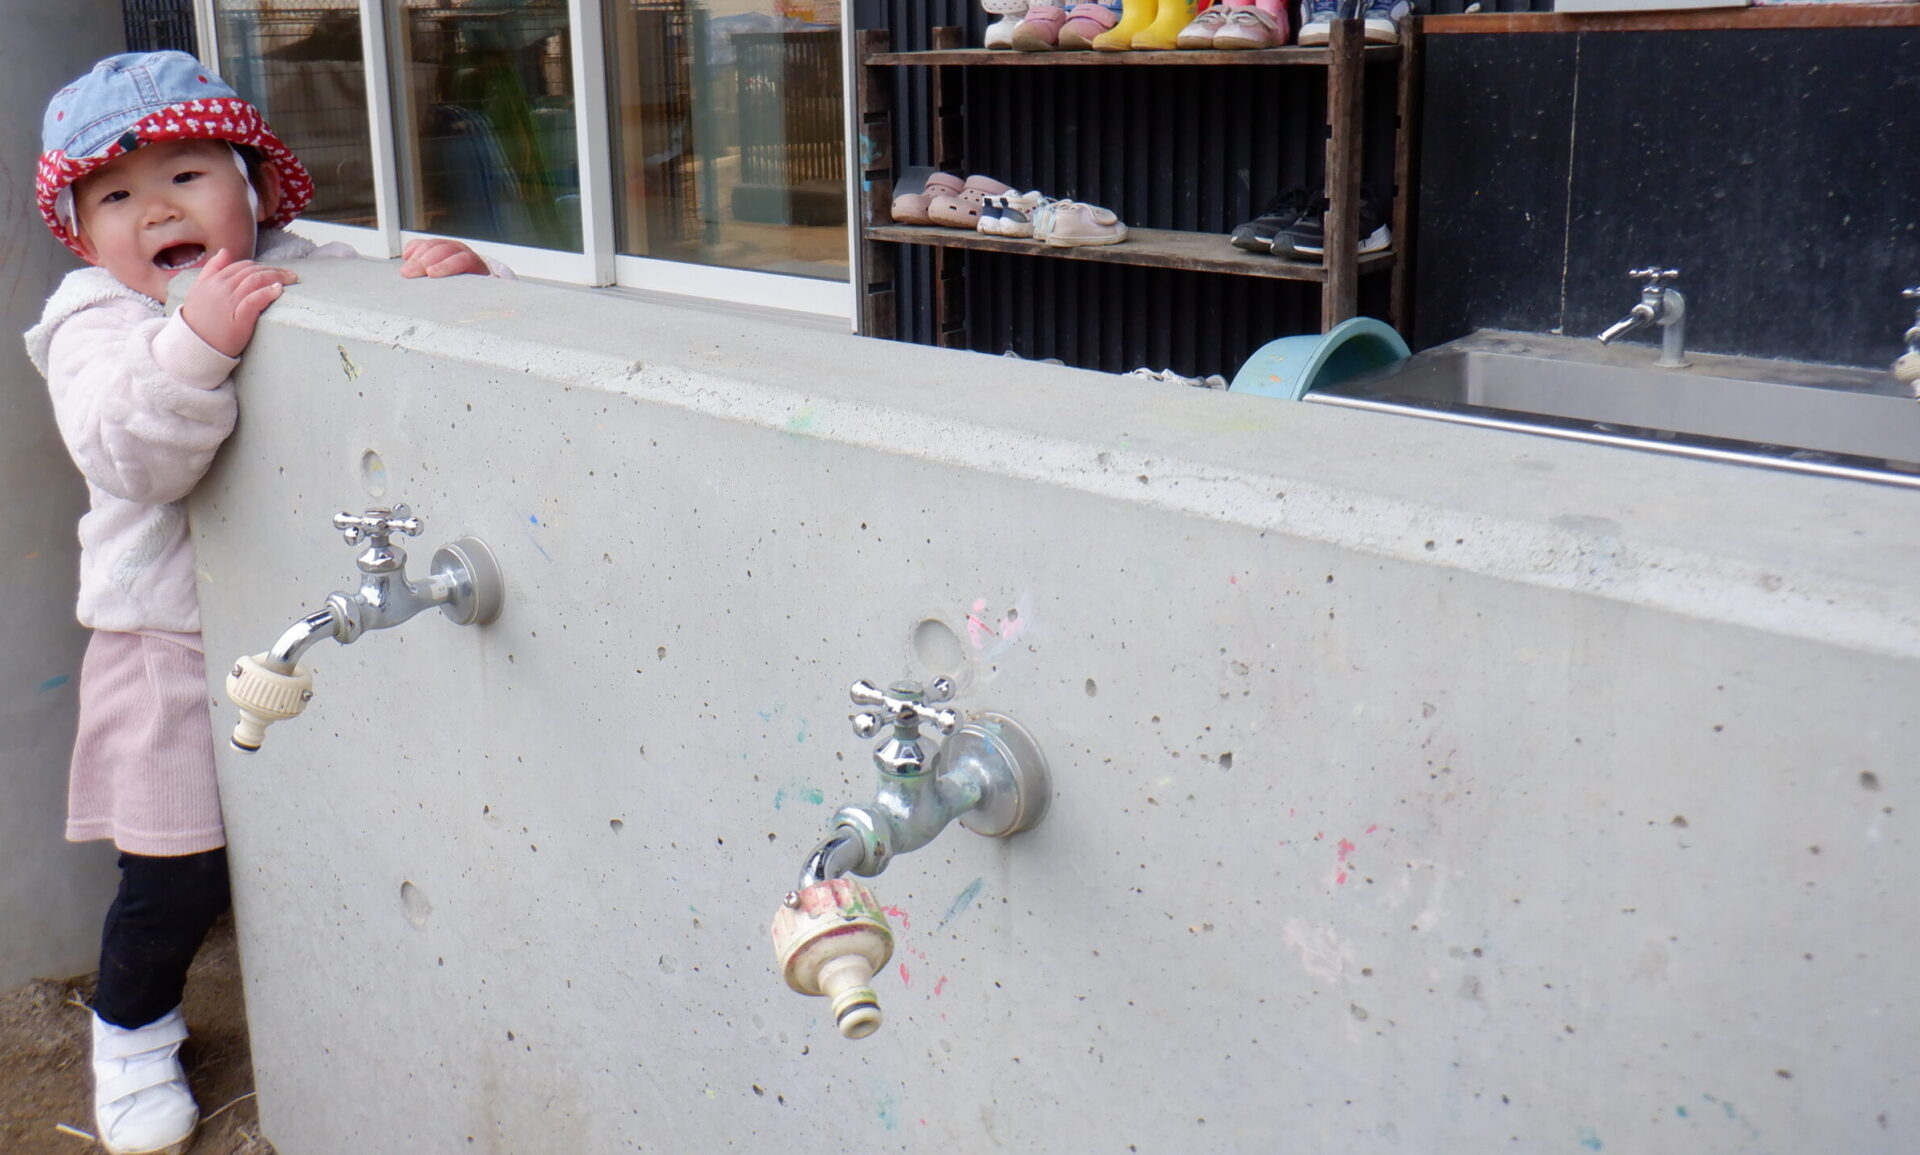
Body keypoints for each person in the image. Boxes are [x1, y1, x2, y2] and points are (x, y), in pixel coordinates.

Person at [23, 51, 506, 1155]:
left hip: (305, 629)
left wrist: (464, 289)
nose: (155, 209)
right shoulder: (95, 319)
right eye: (114, 195)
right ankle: (132, 1033)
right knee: (176, 865)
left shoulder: (310, 271)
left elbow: (414, 383)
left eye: (186, 176)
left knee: (329, 830)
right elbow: (128, 454)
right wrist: (192, 346)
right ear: (83, 236)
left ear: (258, 186)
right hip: (167, 639)